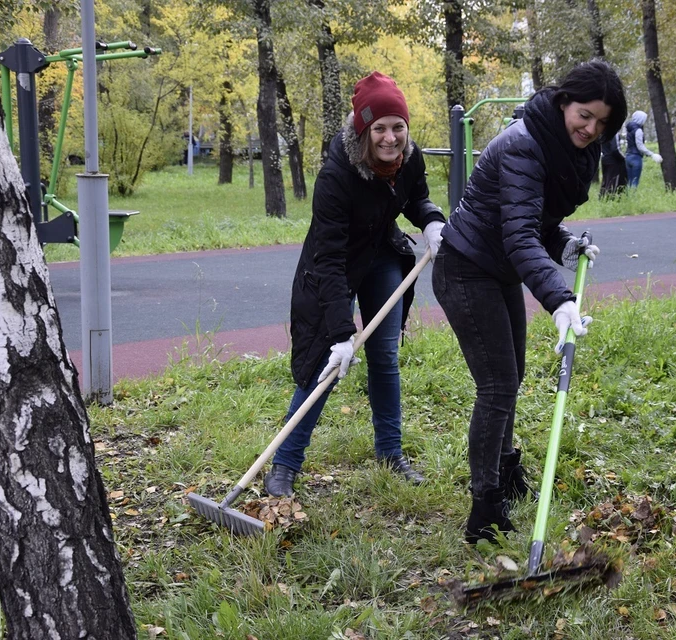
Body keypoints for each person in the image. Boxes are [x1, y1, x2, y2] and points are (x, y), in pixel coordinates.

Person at [432, 59, 627, 544]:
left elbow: (534, 220)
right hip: (465, 268)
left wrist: (563, 244)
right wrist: (560, 299)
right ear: (564, 102)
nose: (591, 128)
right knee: (497, 386)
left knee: (511, 378)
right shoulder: (524, 144)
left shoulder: (566, 146)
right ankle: (485, 509)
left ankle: (505, 468)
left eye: (602, 122)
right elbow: (518, 236)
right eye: (585, 115)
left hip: (497, 268)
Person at [264, 72, 446, 497]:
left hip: (381, 254)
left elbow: (416, 196)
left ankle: (390, 452)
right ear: (364, 131)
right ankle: (285, 464)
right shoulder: (336, 176)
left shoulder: (410, 157)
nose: (390, 137)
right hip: (334, 266)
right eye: (379, 128)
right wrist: (341, 333)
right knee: (325, 363)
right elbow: (327, 258)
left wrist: (433, 220)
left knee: (384, 355)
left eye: (397, 126)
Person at [624, 110, 662, 188]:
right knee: (635, 181)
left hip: (628, 156)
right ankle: (632, 198)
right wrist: (652, 154)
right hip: (636, 158)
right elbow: (640, 146)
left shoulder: (629, 129)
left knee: (629, 181)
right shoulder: (638, 130)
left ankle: (627, 198)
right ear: (641, 119)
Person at [599, 129, 626, 197]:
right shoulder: (614, 133)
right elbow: (615, 149)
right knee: (613, 180)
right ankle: (610, 197)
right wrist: (623, 158)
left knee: (606, 179)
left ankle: (602, 196)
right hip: (613, 160)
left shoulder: (604, 132)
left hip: (605, 158)